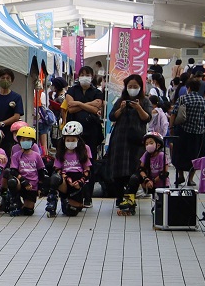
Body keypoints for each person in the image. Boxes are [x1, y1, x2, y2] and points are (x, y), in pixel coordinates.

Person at [106, 75, 151, 210]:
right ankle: (120, 197)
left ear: (140, 87)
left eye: (135, 86)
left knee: (135, 168)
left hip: (137, 140)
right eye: (130, 86)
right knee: (118, 169)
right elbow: (112, 116)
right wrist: (121, 108)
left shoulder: (145, 101)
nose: (132, 89)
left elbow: (147, 118)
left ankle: (130, 197)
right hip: (120, 139)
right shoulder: (120, 100)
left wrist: (138, 108)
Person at [64, 66, 104, 206]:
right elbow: (70, 107)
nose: (85, 77)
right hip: (73, 133)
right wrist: (88, 106)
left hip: (91, 132)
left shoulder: (97, 92)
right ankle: (74, 194)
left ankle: (88, 196)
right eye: (82, 74)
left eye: (87, 74)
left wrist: (79, 103)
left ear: (92, 76)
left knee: (89, 163)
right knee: (73, 162)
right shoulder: (72, 90)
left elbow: (96, 107)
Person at [171, 75, 205, 187]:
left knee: (180, 154)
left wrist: (171, 128)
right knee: (195, 157)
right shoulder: (203, 101)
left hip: (183, 132)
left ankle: (180, 176)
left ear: (188, 87)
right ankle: (191, 179)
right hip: (198, 134)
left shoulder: (182, 99)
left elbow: (173, 114)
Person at [120, 132, 169, 214]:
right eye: (146, 144)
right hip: (148, 182)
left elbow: (164, 173)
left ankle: (159, 206)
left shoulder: (161, 155)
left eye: (151, 143)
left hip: (160, 183)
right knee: (133, 178)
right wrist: (146, 180)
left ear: (158, 145)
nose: (148, 145)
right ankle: (129, 202)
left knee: (158, 209)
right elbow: (140, 169)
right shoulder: (146, 154)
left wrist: (152, 181)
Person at [50, 121, 91, 217]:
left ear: (78, 139)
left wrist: (81, 181)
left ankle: (72, 201)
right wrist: (66, 178)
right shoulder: (61, 151)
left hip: (78, 181)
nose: (70, 142)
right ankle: (52, 203)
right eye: (68, 140)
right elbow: (57, 168)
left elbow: (88, 170)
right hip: (65, 180)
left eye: (73, 140)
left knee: (71, 212)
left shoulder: (84, 150)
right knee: (55, 177)